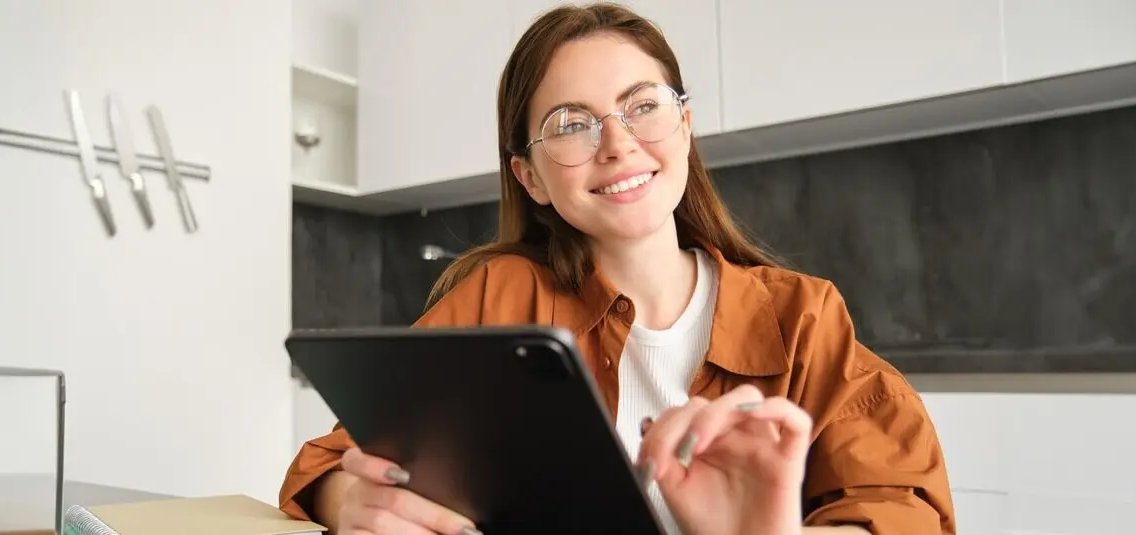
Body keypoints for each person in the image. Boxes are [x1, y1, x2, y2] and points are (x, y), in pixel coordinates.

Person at [278, 3, 956, 534]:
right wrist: (350, 501)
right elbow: (331, 457)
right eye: (572, 123)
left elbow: (904, 505)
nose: (618, 142)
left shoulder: (801, 316)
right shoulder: (499, 293)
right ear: (531, 177)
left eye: (642, 105)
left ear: (685, 124)